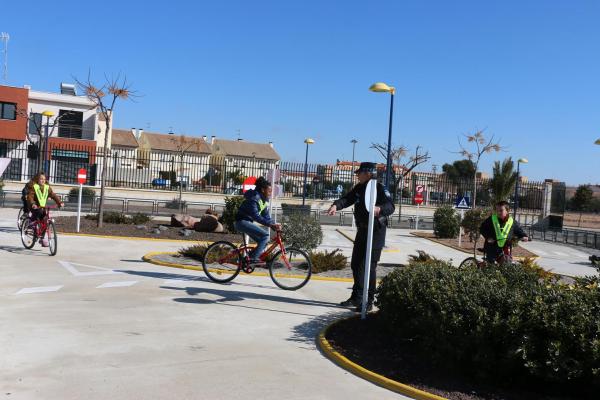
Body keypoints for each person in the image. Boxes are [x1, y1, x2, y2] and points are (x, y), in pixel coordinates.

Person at [327, 162, 395, 312]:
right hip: (362, 231)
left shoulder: (379, 188)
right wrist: (335, 206)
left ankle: (368, 301)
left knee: (369, 267)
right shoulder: (359, 188)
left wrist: (380, 209)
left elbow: (391, 206)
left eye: (359, 173)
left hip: (376, 232)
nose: (357, 175)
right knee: (356, 264)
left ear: (368, 173)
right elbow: (347, 199)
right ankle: (357, 297)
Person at [235, 177, 281, 265]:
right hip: (242, 222)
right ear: (263, 190)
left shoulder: (264, 200)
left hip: (247, 222)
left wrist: (274, 224)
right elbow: (255, 215)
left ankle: (247, 259)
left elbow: (266, 216)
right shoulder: (254, 198)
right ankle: (253, 258)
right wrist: (270, 225)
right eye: (269, 191)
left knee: (264, 241)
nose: (271, 193)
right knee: (265, 236)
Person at [26, 172, 63, 247]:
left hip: (43, 207)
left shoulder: (47, 187)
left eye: (44, 179)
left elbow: (53, 195)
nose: (43, 180)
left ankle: (42, 239)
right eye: (41, 179)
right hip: (35, 206)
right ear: (38, 179)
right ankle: (32, 223)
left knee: (45, 220)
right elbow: (30, 196)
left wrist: (59, 203)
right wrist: (33, 204)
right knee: (39, 212)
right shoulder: (34, 186)